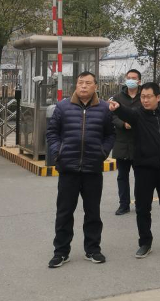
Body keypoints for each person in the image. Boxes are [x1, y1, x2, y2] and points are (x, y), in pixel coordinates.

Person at [109, 82, 160, 257]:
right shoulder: (138, 115)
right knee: (143, 208)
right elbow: (126, 113)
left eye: (148, 97)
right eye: (142, 97)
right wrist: (117, 108)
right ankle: (145, 243)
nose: (144, 100)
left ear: (158, 97)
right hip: (144, 168)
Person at [46, 71, 116, 268]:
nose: (83, 86)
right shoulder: (63, 106)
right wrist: (58, 153)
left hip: (93, 169)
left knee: (93, 212)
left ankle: (93, 249)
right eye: (80, 82)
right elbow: (52, 132)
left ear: (96, 86)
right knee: (64, 212)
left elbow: (110, 135)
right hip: (68, 168)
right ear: (76, 85)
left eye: (88, 83)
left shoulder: (104, 109)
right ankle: (61, 252)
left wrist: (102, 152)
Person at [111, 69, 142, 215]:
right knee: (122, 176)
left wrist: (135, 123)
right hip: (122, 142)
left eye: (134, 78)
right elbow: (112, 116)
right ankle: (124, 204)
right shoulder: (118, 97)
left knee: (140, 177)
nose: (131, 80)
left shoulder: (144, 96)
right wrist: (123, 124)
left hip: (139, 142)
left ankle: (140, 203)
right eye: (129, 77)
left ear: (139, 81)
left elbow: (147, 114)